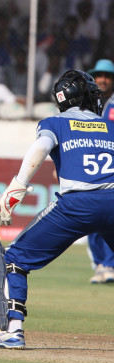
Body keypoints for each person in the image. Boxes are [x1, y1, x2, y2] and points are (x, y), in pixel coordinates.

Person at [0, 70, 114, 349]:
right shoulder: (110, 126)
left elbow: (40, 147)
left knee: (14, 257)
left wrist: (15, 188)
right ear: (86, 96)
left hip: (77, 204)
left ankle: (13, 330)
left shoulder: (54, 122)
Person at [84, 59, 114, 283]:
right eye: (99, 75)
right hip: (92, 169)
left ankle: (110, 266)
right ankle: (102, 265)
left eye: (108, 76)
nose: (103, 79)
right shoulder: (87, 104)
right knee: (93, 220)